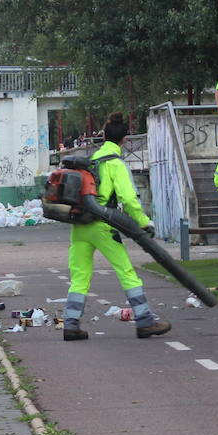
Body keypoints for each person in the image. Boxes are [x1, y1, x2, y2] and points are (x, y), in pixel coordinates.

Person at [63, 112, 172, 341]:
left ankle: (71, 324)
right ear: (124, 140)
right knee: (126, 272)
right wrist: (144, 222)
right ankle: (144, 321)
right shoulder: (115, 163)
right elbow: (128, 199)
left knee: (80, 276)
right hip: (103, 224)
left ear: (104, 137)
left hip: (80, 225)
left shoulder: (91, 160)